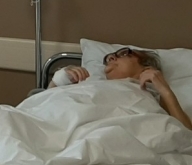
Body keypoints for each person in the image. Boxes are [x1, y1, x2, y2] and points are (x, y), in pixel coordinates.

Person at [49, 47, 192, 130]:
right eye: (109, 58)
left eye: (123, 54)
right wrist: (60, 79)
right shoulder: (89, 83)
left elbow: (186, 136)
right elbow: (45, 105)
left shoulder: (151, 95)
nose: (111, 58)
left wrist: (166, 91)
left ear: (147, 68)